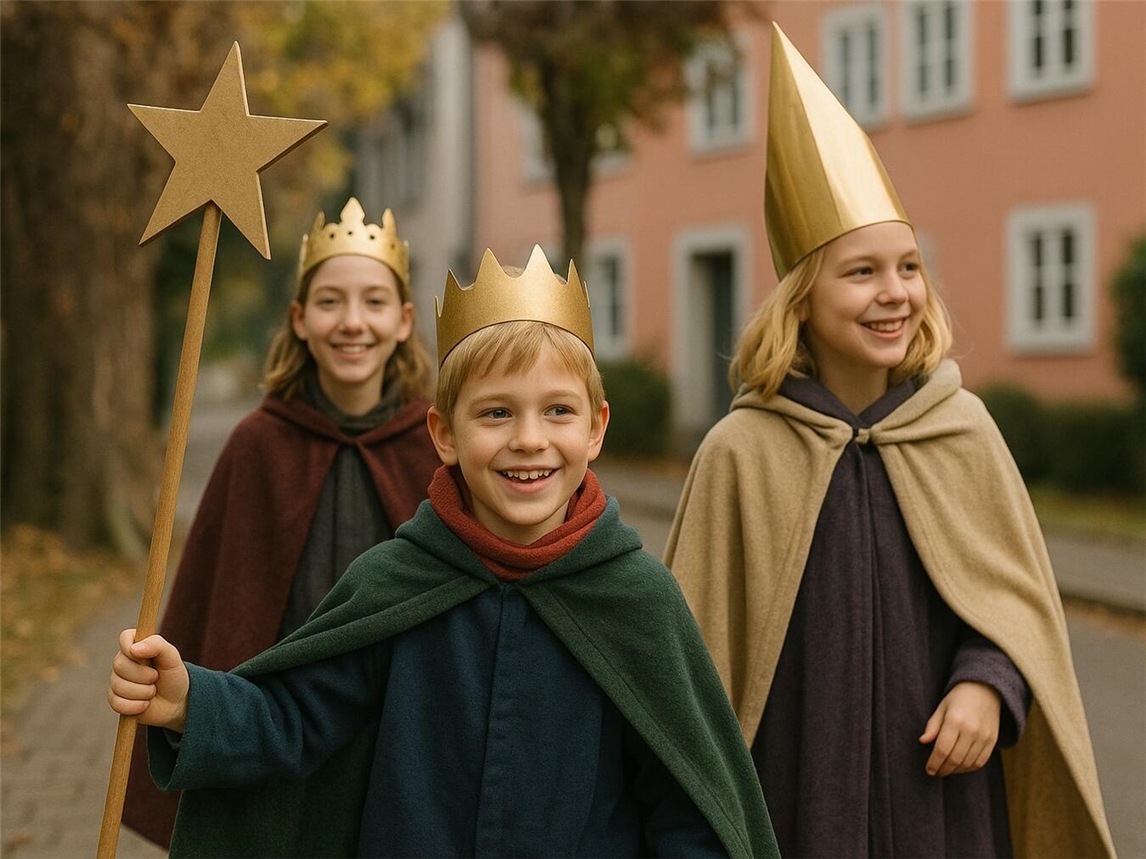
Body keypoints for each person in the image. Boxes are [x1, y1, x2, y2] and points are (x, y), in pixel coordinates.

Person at [109, 245, 779, 858]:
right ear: (443, 432)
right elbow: (297, 718)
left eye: (557, 411)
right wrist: (192, 702)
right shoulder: (393, 580)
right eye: (495, 413)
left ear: (596, 427)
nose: (528, 439)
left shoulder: (640, 598)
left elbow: (687, 804)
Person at [664, 23, 1114, 859]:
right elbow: (692, 666)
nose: (895, 293)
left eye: (908, 267)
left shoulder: (961, 430)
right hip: (795, 802)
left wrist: (990, 683)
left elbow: (1014, 605)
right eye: (862, 272)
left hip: (942, 809)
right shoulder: (741, 453)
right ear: (801, 298)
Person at [122, 198, 442, 848]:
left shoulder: (439, 447)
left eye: (375, 302)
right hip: (278, 739)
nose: (353, 322)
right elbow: (215, 606)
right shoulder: (258, 444)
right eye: (330, 302)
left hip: (404, 740)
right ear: (299, 318)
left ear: (405, 320)